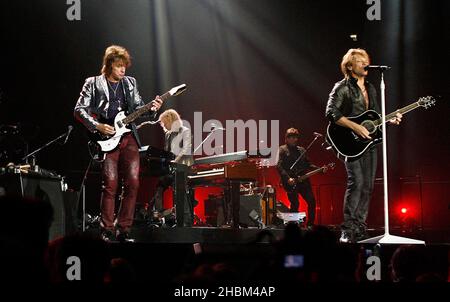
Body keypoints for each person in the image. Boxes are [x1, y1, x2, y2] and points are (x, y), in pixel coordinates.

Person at [74, 45, 162, 242]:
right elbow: (79, 109)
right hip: (106, 139)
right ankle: (107, 230)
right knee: (110, 184)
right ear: (109, 65)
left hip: (128, 137)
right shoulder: (93, 83)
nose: (123, 70)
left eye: (125, 66)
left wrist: (153, 109)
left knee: (133, 183)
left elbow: (139, 108)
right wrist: (97, 126)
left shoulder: (130, 83)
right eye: (119, 66)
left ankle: (124, 229)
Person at [325, 48, 402, 243]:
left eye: (366, 60)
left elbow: (374, 116)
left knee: (367, 186)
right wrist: (355, 127)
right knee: (356, 183)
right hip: (349, 141)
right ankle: (347, 229)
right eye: (360, 61)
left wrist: (389, 120)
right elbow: (331, 112)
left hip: (369, 143)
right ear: (350, 66)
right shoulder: (341, 87)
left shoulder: (372, 88)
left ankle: (360, 227)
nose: (365, 64)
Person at [152, 109, 195, 225]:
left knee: (179, 188)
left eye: (164, 123)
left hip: (184, 168)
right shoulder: (168, 134)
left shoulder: (185, 131)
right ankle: (160, 214)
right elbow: (167, 153)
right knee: (159, 186)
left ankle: (186, 219)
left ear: (170, 120)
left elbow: (186, 150)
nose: (163, 126)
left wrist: (175, 161)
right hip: (172, 169)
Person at [276, 128, 321, 227]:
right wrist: (287, 178)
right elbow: (279, 166)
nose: (294, 139)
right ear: (286, 139)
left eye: (295, 137)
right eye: (291, 137)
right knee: (295, 203)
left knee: (312, 201)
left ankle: (310, 225)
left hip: (303, 180)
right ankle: (293, 227)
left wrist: (320, 169)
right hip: (290, 181)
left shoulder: (301, 150)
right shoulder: (282, 149)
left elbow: (308, 164)